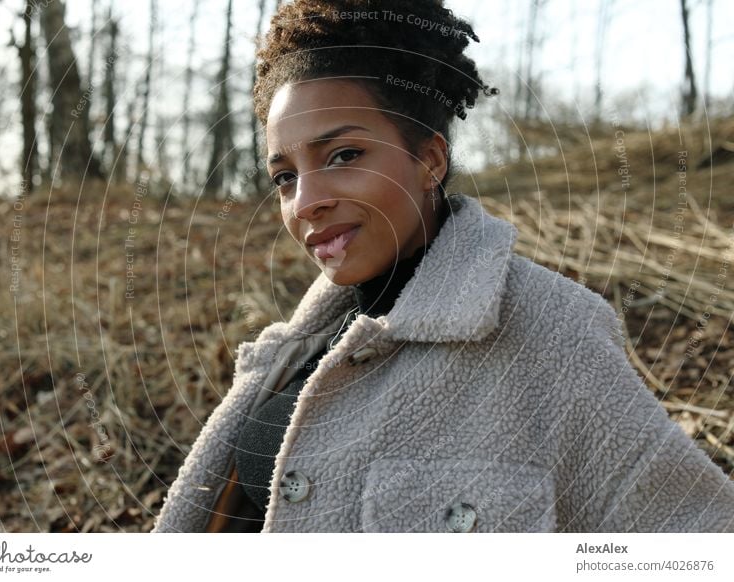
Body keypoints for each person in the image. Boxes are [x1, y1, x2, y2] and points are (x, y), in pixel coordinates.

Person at [152, 0, 734, 533]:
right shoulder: (295, 352)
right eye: (285, 177)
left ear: (429, 158)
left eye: (344, 155)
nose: (306, 202)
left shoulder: (552, 331)